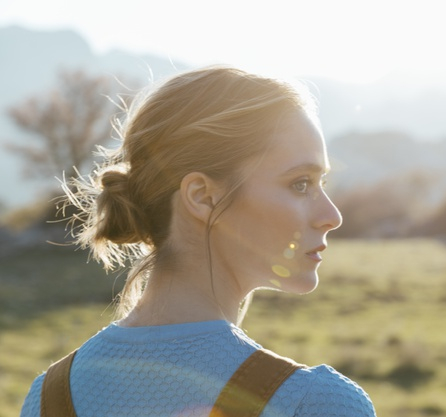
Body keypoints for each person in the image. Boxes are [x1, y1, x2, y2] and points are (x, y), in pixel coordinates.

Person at [20, 66, 377, 417]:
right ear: (203, 196)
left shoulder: (48, 397)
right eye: (300, 184)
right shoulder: (316, 404)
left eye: (322, 184)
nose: (332, 216)